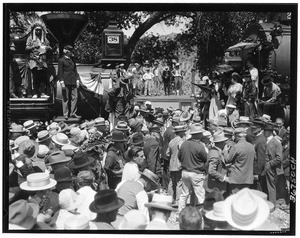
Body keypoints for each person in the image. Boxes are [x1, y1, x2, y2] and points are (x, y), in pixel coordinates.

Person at [178, 123, 208, 212]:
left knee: (184, 194)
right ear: (199, 135)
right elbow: (206, 159)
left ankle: (180, 212)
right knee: (200, 195)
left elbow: (179, 157)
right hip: (196, 172)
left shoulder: (183, 144)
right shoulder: (199, 146)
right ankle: (201, 215)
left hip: (185, 171)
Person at [25, 21, 52, 99]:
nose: (38, 31)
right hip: (34, 60)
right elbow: (26, 48)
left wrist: (48, 48)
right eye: (37, 30)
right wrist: (34, 47)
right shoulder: (30, 38)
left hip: (42, 61)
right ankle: (35, 92)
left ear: (42, 31)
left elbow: (49, 47)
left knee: (43, 77)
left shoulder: (45, 39)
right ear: (34, 30)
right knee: (35, 77)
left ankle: (43, 92)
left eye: (40, 30)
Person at [226, 128, 255, 194]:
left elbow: (228, 160)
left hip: (236, 178)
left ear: (236, 136)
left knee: (235, 199)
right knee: (244, 199)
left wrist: (225, 151)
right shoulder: (251, 146)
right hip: (248, 178)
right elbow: (254, 159)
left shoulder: (235, 147)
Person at [260, 123, 283, 206]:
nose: (263, 132)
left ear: (270, 132)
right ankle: (266, 204)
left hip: (272, 169)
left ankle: (272, 205)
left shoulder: (276, 143)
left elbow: (279, 158)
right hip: (264, 167)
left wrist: (269, 164)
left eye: (265, 131)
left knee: (271, 187)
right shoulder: (265, 141)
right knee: (264, 186)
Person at [58, 45, 81, 120]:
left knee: (75, 97)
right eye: (71, 51)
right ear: (67, 52)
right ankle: (65, 114)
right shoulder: (61, 60)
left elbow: (75, 71)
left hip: (73, 81)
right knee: (65, 98)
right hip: (65, 81)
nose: (72, 53)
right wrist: (62, 82)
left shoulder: (72, 61)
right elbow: (60, 72)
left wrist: (77, 80)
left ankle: (73, 113)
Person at [166, 125, 187, 204]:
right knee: (179, 183)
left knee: (171, 182)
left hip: (171, 165)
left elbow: (167, 153)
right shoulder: (181, 141)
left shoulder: (171, 141)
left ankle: (169, 198)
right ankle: (178, 200)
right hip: (179, 165)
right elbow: (182, 153)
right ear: (181, 132)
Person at [205, 130, 229, 196]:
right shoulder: (215, 154)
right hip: (215, 186)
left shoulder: (215, 151)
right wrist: (223, 178)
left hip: (216, 185)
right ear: (222, 142)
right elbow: (211, 170)